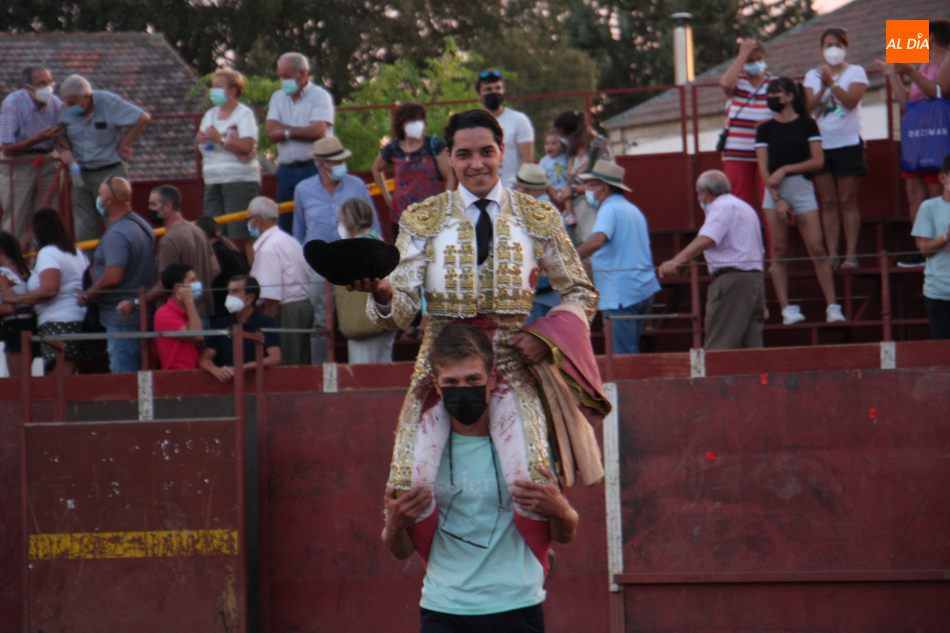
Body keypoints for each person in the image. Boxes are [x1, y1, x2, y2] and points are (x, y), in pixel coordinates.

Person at [356, 109, 597, 536]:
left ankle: (534, 571)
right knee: (406, 487)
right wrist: (382, 292)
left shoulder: (537, 218)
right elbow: (405, 308)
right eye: (464, 154)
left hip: (510, 361)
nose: (477, 164)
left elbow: (581, 293)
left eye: (486, 152)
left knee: (534, 482)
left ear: (502, 152)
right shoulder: (421, 219)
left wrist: (547, 338)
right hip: (439, 367)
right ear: (448, 158)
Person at [382, 323, 577, 632]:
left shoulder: (525, 447)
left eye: (473, 379)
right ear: (436, 385)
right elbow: (400, 550)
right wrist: (393, 525)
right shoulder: (419, 455)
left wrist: (561, 509)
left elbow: (565, 533)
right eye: (452, 382)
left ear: (491, 381)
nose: (463, 389)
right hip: (443, 607)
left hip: (517, 603)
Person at [755, 77, 845, 325]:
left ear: (789, 96)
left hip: (802, 188)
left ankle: (832, 305)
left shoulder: (807, 125)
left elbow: (817, 161)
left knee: (817, 247)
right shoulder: (764, 129)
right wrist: (777, 198)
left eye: (776, 93)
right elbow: (763, 169)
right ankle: (786, 309)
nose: (772, 97)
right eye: (770, 92)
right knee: (779, 251)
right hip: (774, 193)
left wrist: (785, 169)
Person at [658, 170, 765, 350]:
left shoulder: (721, 207)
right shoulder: (744, 207)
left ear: (704, 193)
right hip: (753, 279)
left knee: (720, 342)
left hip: (732, 280)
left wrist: (676, 260)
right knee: (751, 344)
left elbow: (708, 237)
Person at [876, 18, 950, 267]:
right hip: (918, 139)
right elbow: (907, 104)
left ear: (930, 38)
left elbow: (938, 92)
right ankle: (922, 246)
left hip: (939, 138)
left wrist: (909, 71)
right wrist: (892, 75)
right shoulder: (922, 64)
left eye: (921, 35)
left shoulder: (947, 58)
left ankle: (941, 244)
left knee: (934, 192)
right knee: (913, 193)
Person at [575, 161, 661, 354]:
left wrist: (569, 257)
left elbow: (597, 240)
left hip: (620, 293)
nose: (587, 190)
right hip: (641, 289)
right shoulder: (632, 210)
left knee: (621, 354)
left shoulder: (609, 210)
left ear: (604, 188)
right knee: (629, 347)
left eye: (591, 185)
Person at [56, 74, 151, 243]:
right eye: (66, 102)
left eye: (71, 103)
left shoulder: (108, 103)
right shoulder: (64, 109)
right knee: (83, 228)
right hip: (80, 173)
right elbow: (56, 134)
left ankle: (119, 264)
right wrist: (63, 148)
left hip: (109, 172)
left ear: (86, 97)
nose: (67, 107)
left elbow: (143, 118)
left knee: (116, 223)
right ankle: (88, 267)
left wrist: (125, 143)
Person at [803, 27, 868, 270]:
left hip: (848, 143)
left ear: (845, 47)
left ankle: (850, 254)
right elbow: (806, 108)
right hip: (822, 145)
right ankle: (832, 254)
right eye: (828, 45)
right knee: (828, 202)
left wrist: (833, 83)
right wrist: (822, 86)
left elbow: (851, 102)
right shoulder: (812, 74)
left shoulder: (856, 71)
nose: (833, 50)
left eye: (837, 45)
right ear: (821, 49)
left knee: (847, 201)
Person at [80, 176, 155, 373]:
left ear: (109, 201)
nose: (98, 198)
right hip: (140, 312)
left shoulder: (117, 235)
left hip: (121, 317)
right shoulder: (142, 226)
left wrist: (89, 294)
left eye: (100, 194)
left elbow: (113, 275)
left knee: (124, 376)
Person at [3, 208, 88, 373]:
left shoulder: (48, 253)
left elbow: (49, 290)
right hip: (77, 318)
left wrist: (17, 299)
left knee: (58, 381)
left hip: (57, 322)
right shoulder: (77, 252)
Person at [265, 52, 335, 235]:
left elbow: (318, 131)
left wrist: (286, 131)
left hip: (315, 168)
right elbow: (271, 133)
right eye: (280, 76)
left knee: (317, 220)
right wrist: (303, 129)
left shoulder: (320, 96)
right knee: (285, 225)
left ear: (302, 74)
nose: (282, 81)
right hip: (286, 170)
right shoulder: (277, 97)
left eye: (286, 76)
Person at [197, 68, 260, 259]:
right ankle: (229, 277)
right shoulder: (209, 115)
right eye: (212, 87)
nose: (212, 91)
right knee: (214, 233)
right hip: (213, 180)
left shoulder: (244, 114)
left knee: (243, 233)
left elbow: (248, 145)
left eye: (218, 87)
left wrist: (220, 139)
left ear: (232, 90)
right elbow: (203, 145)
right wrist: (201, 140)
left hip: (239, 180)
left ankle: (256, 278)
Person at [131, 185, 217, 324]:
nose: (150, 209)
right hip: (203, 313)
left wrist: (136, 303)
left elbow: (165, 284)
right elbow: (215, 268)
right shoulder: (198, 231)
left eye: (153, 204)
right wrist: (196, 288)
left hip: (181, 317)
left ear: (168, 206)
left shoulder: (170, 239)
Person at [247, 196, 315, 366]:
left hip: (286, 311)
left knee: (287, 366)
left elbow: (271, 296)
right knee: (299, 362)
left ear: (258, 220)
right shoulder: (290, 241)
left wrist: (265, 327)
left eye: (250, 219)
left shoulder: (268, 248)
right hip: (302, 306)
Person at [0, 66, 63, 247]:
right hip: (19, 163)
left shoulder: (56, 104)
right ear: (29, 87)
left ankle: (44, 260)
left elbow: (63, 135)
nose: (48, 87)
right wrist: (37, 139)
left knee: (48, 216)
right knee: (16, 216)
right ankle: (12, 265)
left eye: (50, 82)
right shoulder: (13, 104)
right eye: (42, 83)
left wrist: (64, 149)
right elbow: (7, 148)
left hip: (48, 161)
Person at [371, 102, 454, 238]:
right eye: (412, 120)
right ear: (402, 124)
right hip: (402, 218)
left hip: (432, 217)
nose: (417, 124)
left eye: (420, 119)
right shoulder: (393, 148)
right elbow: (376, 168)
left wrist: (446, 205)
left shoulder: (434, 144)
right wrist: (387, 197)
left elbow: (450, 176)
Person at [333, 198, 395, 364]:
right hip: (384, 319)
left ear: (348, 222)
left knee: (363, 367)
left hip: (362, 322)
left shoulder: (354, 249)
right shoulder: (380, 242)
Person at [718, 39, 774, 212]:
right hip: (737, 154)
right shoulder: (737, 83)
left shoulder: (774, 83)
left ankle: (772, 239)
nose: (752, 60)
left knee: (769, 203)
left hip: (767, 153)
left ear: (763, 55)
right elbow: (725, 84)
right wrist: (742, 55)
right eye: (748, 59)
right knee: (739, 203)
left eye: (755, 55)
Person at [292, 137, 380, 245]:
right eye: (337, 162)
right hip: (315, 257)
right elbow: (299, 231)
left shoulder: (357, 185)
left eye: (343, 161)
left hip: (350, 255)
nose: (343, 165)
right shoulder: (303, 189)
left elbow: (373, 224)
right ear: (320, 165)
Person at [200, 274, 281, 381]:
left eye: (235, 291)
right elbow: (205, 359)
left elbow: (275, 358)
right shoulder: (221, 323)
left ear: (250, 298)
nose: (229, 296)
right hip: (224, 385)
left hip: (256, 383)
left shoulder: (265, 322)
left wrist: (243, 368)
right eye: (229, 291)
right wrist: (216, 370)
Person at [552, 110, 612, 244]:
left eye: (561, 135)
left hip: (593, 208)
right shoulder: (571, 150)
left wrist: (573, 190)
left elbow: (605, 182)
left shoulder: (598, 146)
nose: (561, 139)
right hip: (575, 209)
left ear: (572, 134)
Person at [911, 154, 950, 339]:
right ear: (943, 178)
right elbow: (924, 249)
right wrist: (945, 238)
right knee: (943, 352)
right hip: (939, 293)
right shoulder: (929, 207)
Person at [476, 69, 534, 187]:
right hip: (480, 193)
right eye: (488, 90)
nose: (494, 92)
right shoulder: (472, 123)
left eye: (498, 88)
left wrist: (519, 190)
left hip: (511, 192)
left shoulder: (519, 120)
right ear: (479, 95)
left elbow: (527, 161)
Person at [196, 216, 249, 320]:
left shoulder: (216, 253)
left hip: (223, 311)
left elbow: (215, 271)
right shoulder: (228, 248)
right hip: (234, 307)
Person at [153, 263, 203, 370]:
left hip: (194, 373)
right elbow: (197, 336)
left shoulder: (188, 310)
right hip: (177, 375)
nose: (197, 284)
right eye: (192, 280)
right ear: (178, 287)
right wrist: (189, 302)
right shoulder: (164, 313)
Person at [0, 231, 35, 374]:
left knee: (18, 380)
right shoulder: (24, 270)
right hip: (29, 324)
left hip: (15, 326)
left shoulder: (3, 274)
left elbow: (9, 308)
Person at [538, 129, 572, 224]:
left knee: (568, 195)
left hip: (564, 187)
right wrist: (552, 190)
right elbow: (543, 178)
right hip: (552, 190)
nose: (549, 146)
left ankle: (569, 215)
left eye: (554, 143)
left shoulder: (565, 157)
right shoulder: (543, 161)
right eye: (547, 143)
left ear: (562, 146)